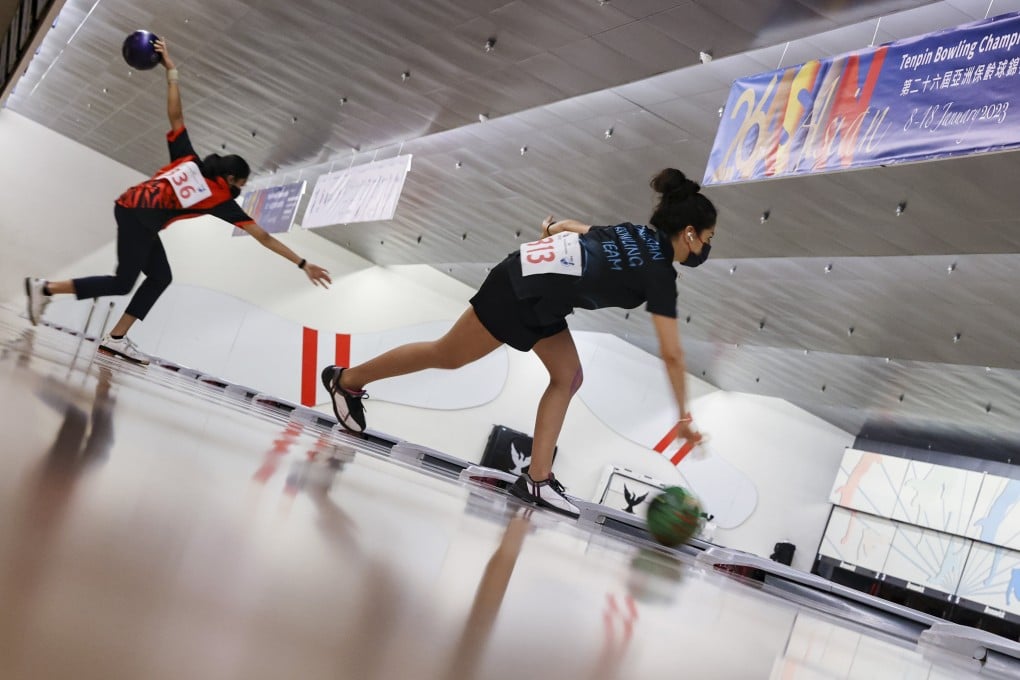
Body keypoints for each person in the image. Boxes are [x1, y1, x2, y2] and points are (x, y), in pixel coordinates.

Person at [320, 168, 716, 517]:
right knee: (448, 354)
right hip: (522, 288)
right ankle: (347, 380)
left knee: (568, 376)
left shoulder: (637, 235)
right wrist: (683, 417)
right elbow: (672, 352)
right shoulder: (660, 275)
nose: (706, 249)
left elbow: (587, 232)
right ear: (689, 234)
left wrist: (557, 228)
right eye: (708, 239)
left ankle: (537, 479)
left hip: (542, 292)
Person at [24, 38, 330, 365]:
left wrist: (172, 72)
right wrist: (302, 263)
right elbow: (263, 236)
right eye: (242, 182)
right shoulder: (221, 198)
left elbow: (176, 116)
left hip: (130, 208)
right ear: (230, 180)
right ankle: (45, 289)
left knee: (159, 277)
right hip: (140, 220)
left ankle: (115, 337)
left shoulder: (189, 160)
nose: (242, 187)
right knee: (122, 282)